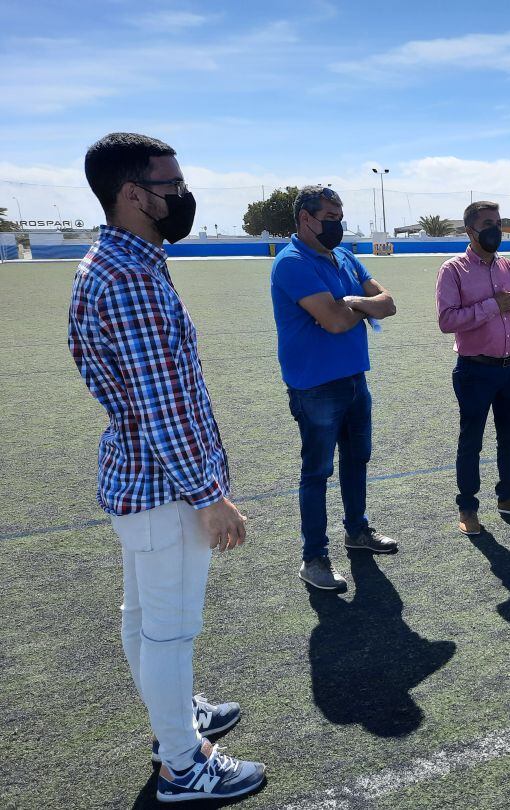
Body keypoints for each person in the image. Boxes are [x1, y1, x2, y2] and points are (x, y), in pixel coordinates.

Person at [68, 133, 265, 801]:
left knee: (144, 617)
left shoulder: (118, 261)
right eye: (170, 185)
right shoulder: (128, 278)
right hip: (164, 488)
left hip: (138, 477)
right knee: (170, 630)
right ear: (131, 195)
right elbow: (164, 405)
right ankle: (183, 761)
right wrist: (211, 496)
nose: (182, 196)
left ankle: (175, 717)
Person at [271, 186, 398, 592]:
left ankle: (356, 532)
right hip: (315, 387)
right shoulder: (291, 263)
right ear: (305, 219)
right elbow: (335, 321)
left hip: (355, 379)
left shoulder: (344, 256)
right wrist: (358, 306)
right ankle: (314, 557)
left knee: (357, 460)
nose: (336, 224)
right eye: (329, 216)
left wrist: (351, 301)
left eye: (339, 215)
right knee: (317, 472)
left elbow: (389, 302)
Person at [435, 201, 510, 536]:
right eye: (488, 223)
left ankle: (507, 497)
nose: (496, 229)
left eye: (498, 222)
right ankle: (467, 508)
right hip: (475, 370)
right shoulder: (453, 270)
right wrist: (491, 306)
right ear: (470, 231)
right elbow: (447, 320)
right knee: (472, 441)